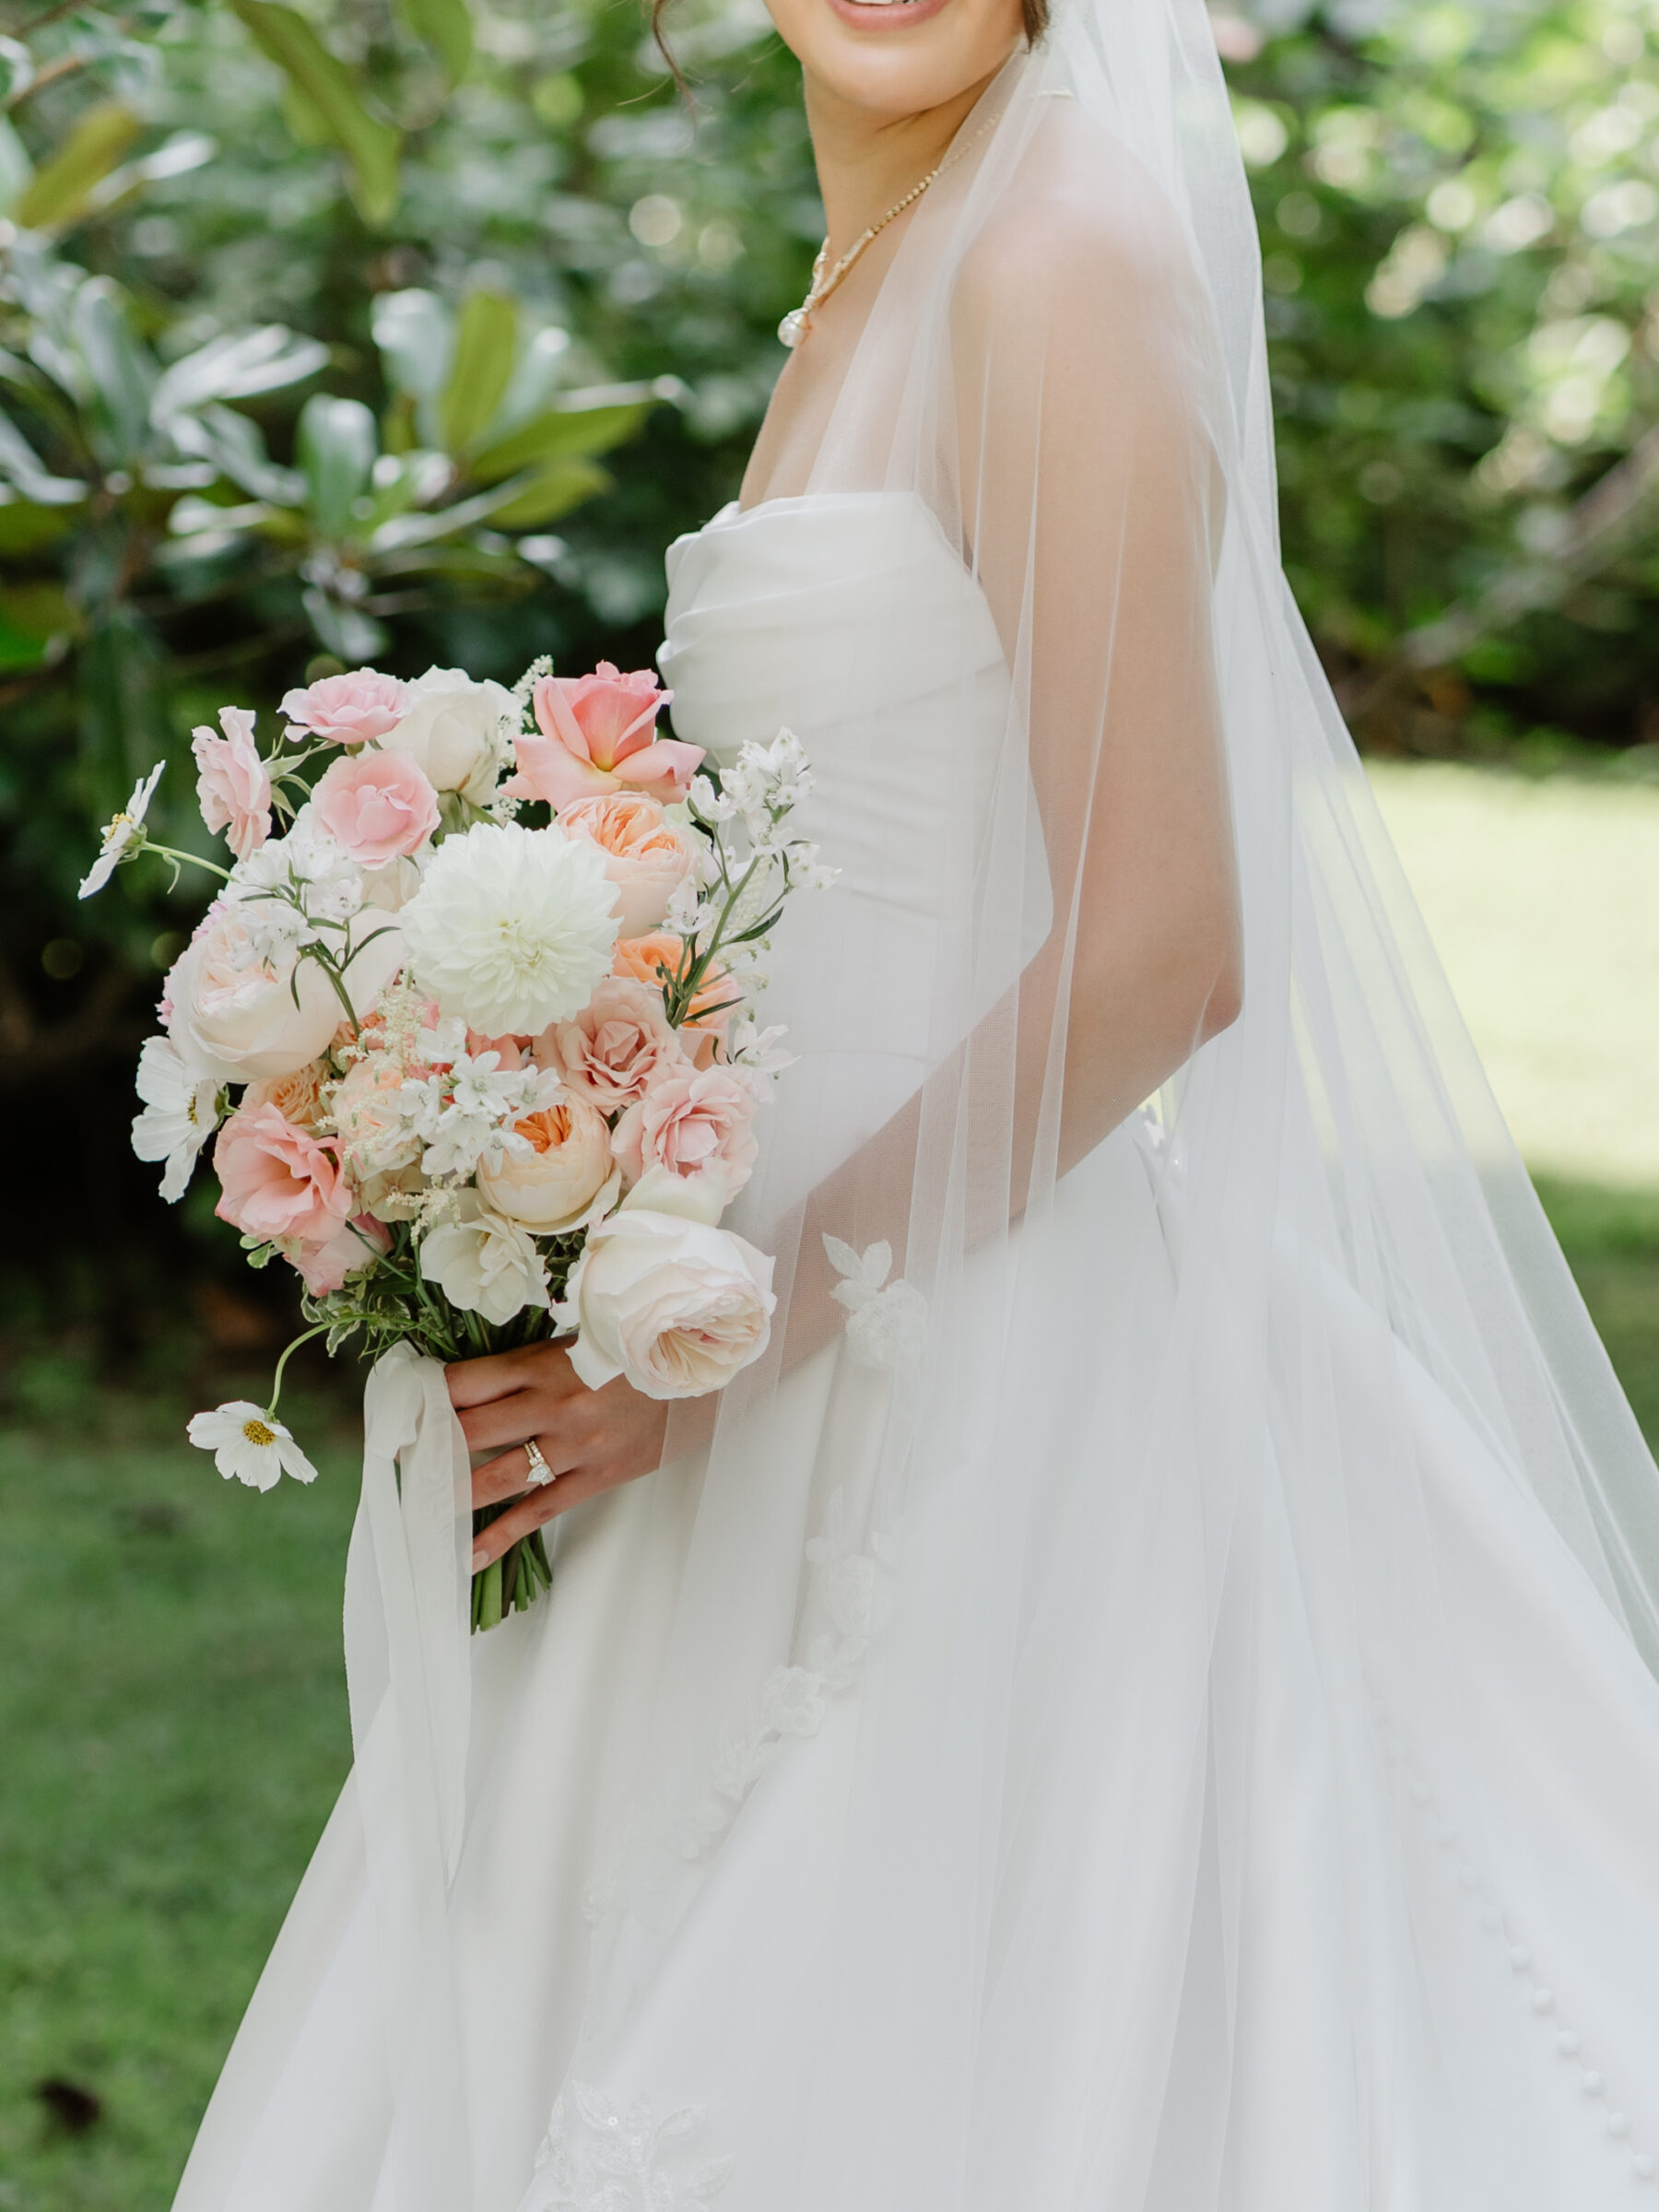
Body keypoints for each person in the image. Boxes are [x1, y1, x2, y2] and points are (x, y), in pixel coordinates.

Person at [172, 3, 1659, 2208]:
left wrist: (738, 1314)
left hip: (937, 1338)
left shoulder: (1055, 250)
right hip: (771, 1285)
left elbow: (1166, 942)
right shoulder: (891, 257)